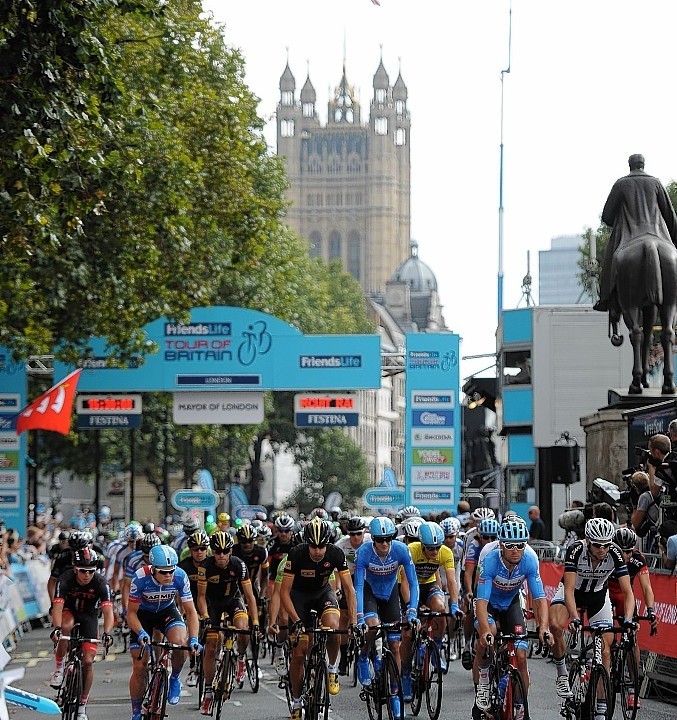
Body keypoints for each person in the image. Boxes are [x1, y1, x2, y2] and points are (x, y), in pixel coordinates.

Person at [548, 518, 634, 720]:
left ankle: (601, 709)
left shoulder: (615, 553)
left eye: (606, 544)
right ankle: (562, 673)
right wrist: (575, 618)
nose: (602, 549)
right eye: (597, 545)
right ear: (588, 540)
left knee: (605, 651)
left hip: (598, 597)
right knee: (555, 625)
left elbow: (628, 592)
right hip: (573, 593)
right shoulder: (576, 550)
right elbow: (568, 590)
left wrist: (628, 619)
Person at [280, 517, 356, 720]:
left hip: (323, 594)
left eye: (321, 546)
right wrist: (295, 620)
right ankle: (296, 703)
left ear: (327, 543)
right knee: (298, 654)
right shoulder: (296, 554)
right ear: (307, 543)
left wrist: (354, 622)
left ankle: (331, 669)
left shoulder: (335, 553)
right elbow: (284, 593)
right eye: (313, 546)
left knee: (333, 627)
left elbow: (349, 589)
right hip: (299, 599)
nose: (317, 551)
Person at [473, 520, 552, 715]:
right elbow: (481, 602)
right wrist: (483, 631)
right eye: (510, 545)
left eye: (520, 545)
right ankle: (483, 682)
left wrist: (544, 627)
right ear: (501, 545)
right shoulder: (490, 561)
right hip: (489, 603)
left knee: (521, 656)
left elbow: (540, 598)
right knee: (488, 634)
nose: (515, 550)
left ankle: (519, 705)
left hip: (512, 604)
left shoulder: (530, 560)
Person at [594, 154, 677, 320]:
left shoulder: (621, 184)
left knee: (611, 261)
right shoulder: (656, 183)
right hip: (657, 235)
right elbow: (670, 216)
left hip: (630, 238)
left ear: (630, 165)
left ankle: (607, 299)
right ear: (643, 165)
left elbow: (607, 216)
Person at [127, 545, 201, 720]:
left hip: (166, 612)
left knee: (180, 644)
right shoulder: (140, 577)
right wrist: (141, 633)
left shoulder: (180, 576)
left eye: (171, 571)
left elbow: (191, 612)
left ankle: (174, 677)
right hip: (142, 616)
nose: (168, 576)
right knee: (140, 666)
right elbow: (130, 613)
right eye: (163, 572)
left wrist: (194, 639)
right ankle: (136, 710)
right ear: (153, 569)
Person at [353, 516, 418, 716]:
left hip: (390, 594)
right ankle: (363, 657)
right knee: (372, 626)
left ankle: (395, 695)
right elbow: (359, 586)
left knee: (395, 645)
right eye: (380, 540)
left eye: (388, 539)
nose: (384, 544)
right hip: (370, 592)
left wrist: (412, 610)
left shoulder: (401, 550)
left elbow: (413, 583)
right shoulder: (363, 552)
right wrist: (360, 616)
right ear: (372, 539)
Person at [197, 531, 259, 715]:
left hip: (233, 600)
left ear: (230, 551)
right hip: (213, 605)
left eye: (225, 551)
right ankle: (208, 691)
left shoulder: (239, 565)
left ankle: (240, 657)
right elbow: (200, 597)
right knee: (211, 645)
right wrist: (205, 616)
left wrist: (255, 621)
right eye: (217, 552)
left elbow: (250, 596)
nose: (221, 556)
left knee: (243, 626)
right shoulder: (205, 566)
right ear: (212, 552)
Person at [50, 548, 115, 720]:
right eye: (83, 571)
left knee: (88, 661)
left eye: (91, 571)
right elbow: (56, 607)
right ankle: (59, 668)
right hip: (68, 611)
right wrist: (56, 628)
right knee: (66, 627)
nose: (87, 575)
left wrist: (107, 633)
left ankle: (82, 706)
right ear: (74, 569)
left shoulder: (101, 583)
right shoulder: (65, 579)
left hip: (89, 616)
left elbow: (108, 612)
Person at [609, 527, 658, 710]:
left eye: (629, 551)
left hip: (624, 596)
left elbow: (646, 588)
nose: (626, 555)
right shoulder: (607, 556)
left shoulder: (638, 560)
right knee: (606, 636)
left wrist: (651, 609)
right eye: (622, 551)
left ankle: (633, 688)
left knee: (632, 639)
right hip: (605, 593)